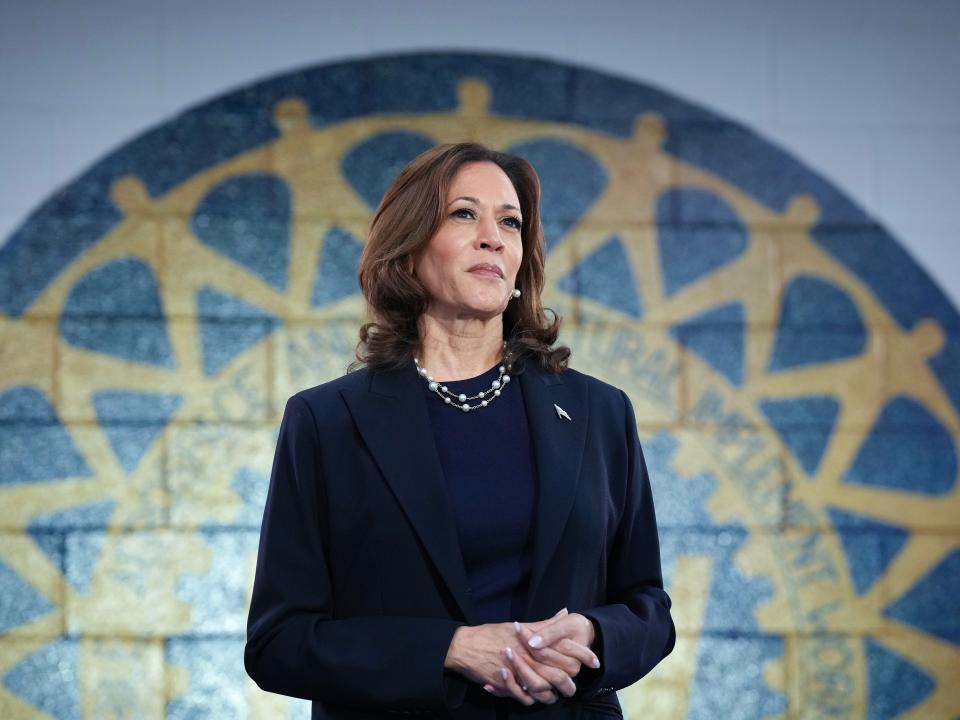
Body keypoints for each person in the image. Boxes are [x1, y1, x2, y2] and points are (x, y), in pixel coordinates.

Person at [244, 142, 675, 719]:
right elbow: (279, 643)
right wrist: (448, 649)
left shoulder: (600, 412)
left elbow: (648, 607)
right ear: (410, 246)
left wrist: (594, 635)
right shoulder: (326, 422)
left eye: (511, 222)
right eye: (464, 214)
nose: (493, 237)